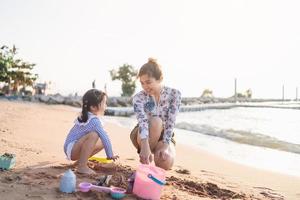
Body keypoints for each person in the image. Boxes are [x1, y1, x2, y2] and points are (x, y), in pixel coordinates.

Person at [130, 58, 181, 170]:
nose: (145, 87)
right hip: (143, 132)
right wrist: (144, 146)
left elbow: (170, 123)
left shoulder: (174, 95)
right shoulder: (138, 98)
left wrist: (165, 146)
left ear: (160, 79)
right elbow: (142, 121)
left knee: (165, 162)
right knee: (156, 121)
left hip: (165, 134)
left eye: (148, 82)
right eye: (142, 83)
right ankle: (144, 166)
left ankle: (157, 164)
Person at [63, 89, 118, 174]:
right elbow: (105, 137)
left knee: (101, 142)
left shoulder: (87, 116)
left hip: (70, 148)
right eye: (104, 103)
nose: (106, 106)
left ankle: (80, 161)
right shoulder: (94, 121)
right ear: (93, 107)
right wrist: (110, 155)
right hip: (72, 150)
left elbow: (104, 139)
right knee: (94, 135)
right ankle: (82, 166)